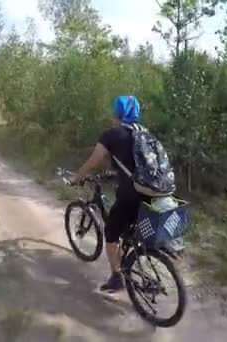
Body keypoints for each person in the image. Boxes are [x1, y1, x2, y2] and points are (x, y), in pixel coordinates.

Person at [71, 95, 148, 293]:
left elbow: (94, 160)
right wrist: (115, 173)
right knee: (129, 229)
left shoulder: (112, 134)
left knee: (111, 234)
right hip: (152, 193)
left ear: (117, 112)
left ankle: (116, 278)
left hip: (131, 195)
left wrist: (78, 177)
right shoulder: (144, 132)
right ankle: (133, 257)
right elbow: (134, 163)